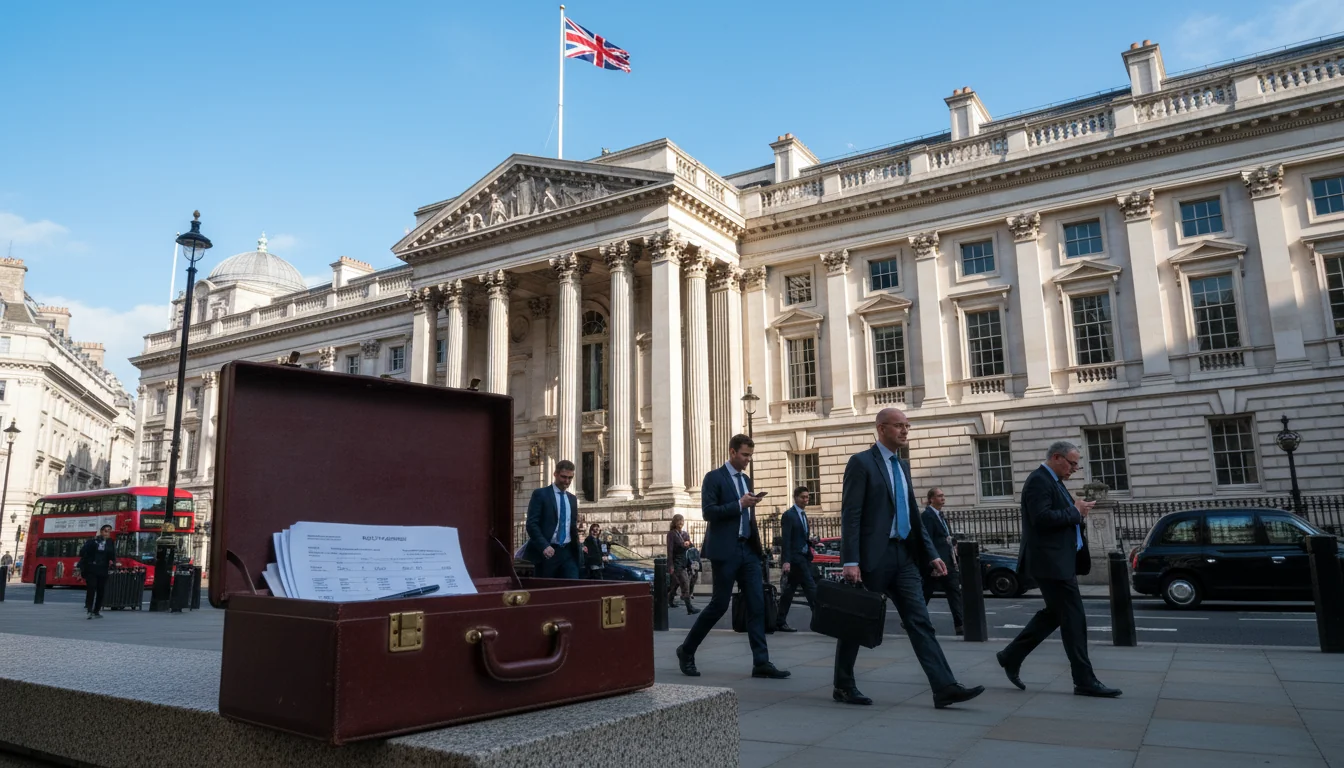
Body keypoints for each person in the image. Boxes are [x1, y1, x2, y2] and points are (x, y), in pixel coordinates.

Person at [834, 408, 984, 708]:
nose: (905, 431)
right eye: (899, 426)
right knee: (856, 620)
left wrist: (931, 554)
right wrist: (850, 561)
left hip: (903, 557)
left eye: (907, 426)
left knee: (920, 621)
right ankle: (843, 685)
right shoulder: (861, 462)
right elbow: (851, 514)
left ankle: (944, 687)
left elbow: (913, 514)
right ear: (881, 429)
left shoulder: (902, 466)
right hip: (872, 558)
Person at [996, 441, 1122, 698]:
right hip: (1050, 563)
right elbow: (1041, 518)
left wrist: (1077, 511)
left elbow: (1059, 514)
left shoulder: (1054, 481)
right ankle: (1084, 680)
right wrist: (1075, 512)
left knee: (1054, 614)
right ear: (1056, 457)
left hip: (1058, 562)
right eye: (1072, 463)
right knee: (1074, 619)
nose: (1075, 469)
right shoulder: (1039, 481)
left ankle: (1011, 655)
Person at [676, 434, 789, 680]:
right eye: (745, 455)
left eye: (750, 455)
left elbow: (748, 516)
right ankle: (687, 650)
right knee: (719, 605)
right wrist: (739, 504)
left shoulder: (746, 480)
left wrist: (757, 543)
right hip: (725, 551)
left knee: (757, 605)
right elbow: (708, 513)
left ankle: (761, 662)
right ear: (732, 452)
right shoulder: (714, 477)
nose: (748, 459)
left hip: (748, 550)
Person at [525, 460, 582, 579]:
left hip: (567, 552)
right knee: (548, 588)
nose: (567, 481)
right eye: (563, 477)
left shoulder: (572, 499)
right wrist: (544, 546)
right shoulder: (541, 494)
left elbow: (572, 526)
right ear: (555, 474)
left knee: (573, 585)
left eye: (570, 478)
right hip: (547, 553)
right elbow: (532, 524)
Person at [921, 488, 965, 636]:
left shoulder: (940, 515)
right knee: (926, 593)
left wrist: (954, 543)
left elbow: (945, 536)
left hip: (948, 561)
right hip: (936, 563)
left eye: (943, 496)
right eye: (939, 496)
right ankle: (913, 619)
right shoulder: (927, 516)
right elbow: (927, 539)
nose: (943, 498)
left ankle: (960, 624)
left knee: (954, 592)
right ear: (931, 499)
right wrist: (932, 560)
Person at [776, 486, 819, 633]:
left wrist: (810, 541)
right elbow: (786, 540)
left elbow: (801, 537)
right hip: (795, 559)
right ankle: (821, 621)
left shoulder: (803, 515)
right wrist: (786, 561)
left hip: (803, 558)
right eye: (803, 497)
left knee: (789, 592)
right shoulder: (789, 515)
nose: (806, 500)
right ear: (795, 498)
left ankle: (780, 621)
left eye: (807, 497)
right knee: (811, 589)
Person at [78, 524, 116, 619]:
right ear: (101, 531)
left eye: (109, 531)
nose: (107, 533)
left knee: (101, 590)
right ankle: (89, 609)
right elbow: (82, 552)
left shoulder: (110, 542)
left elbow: (112, 555)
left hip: (103, 569)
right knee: (91, 588)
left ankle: (96, 610)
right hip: (92, 568)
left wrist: (113, 562)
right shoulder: (92, 541)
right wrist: (94, 543)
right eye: (106, 531)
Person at [666, 515, 700, 615]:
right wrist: (670, 565)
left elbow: (691, 547)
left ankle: (669, 600)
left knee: (676, 583)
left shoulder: (685, 534)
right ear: (674, 522)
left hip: (685, 562)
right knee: (685, 584)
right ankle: (689, 608)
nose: (681, 523)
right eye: (679, 521)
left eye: (682, 521)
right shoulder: (671, 534)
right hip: (676, 562)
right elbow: (670, 550)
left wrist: (688, 543)